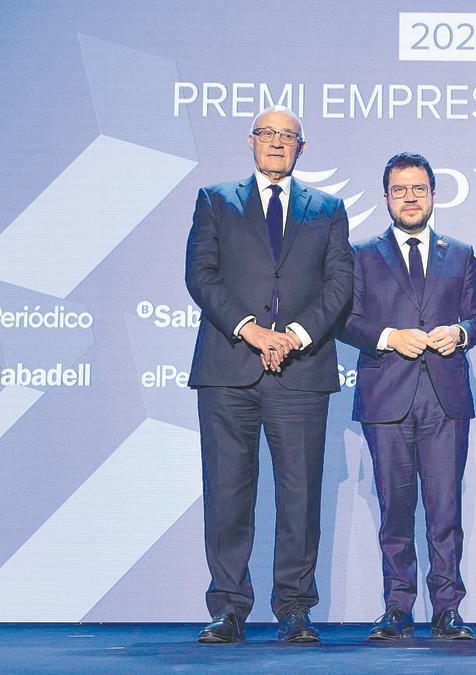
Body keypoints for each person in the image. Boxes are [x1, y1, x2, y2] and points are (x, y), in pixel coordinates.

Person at [185, 105, 353, 643]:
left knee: (300, 495)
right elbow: (201, 275)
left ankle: (295, 608)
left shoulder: (327, 208)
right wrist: (251, 330)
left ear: (302, 148)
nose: (278, 143)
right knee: (227, 492)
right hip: (229, 369)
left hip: (300, 371)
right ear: (251, 142)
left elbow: (339, 285)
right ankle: (229, 606)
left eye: (289, 136)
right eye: (269, 134)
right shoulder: (215, 200)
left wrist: (296, 336)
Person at [339, 152, 476, 640]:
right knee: (395, 511)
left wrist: (460, 334)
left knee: (446, 511)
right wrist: (388, 337)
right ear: (386, 197)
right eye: (400, 190)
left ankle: (448, 609)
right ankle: (397, 608)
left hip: (444, 399)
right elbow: (344, 319)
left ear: (432, 195)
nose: (410, 198)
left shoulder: (461, 253)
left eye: (418, 189)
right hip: (387, 398)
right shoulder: (360, 254)